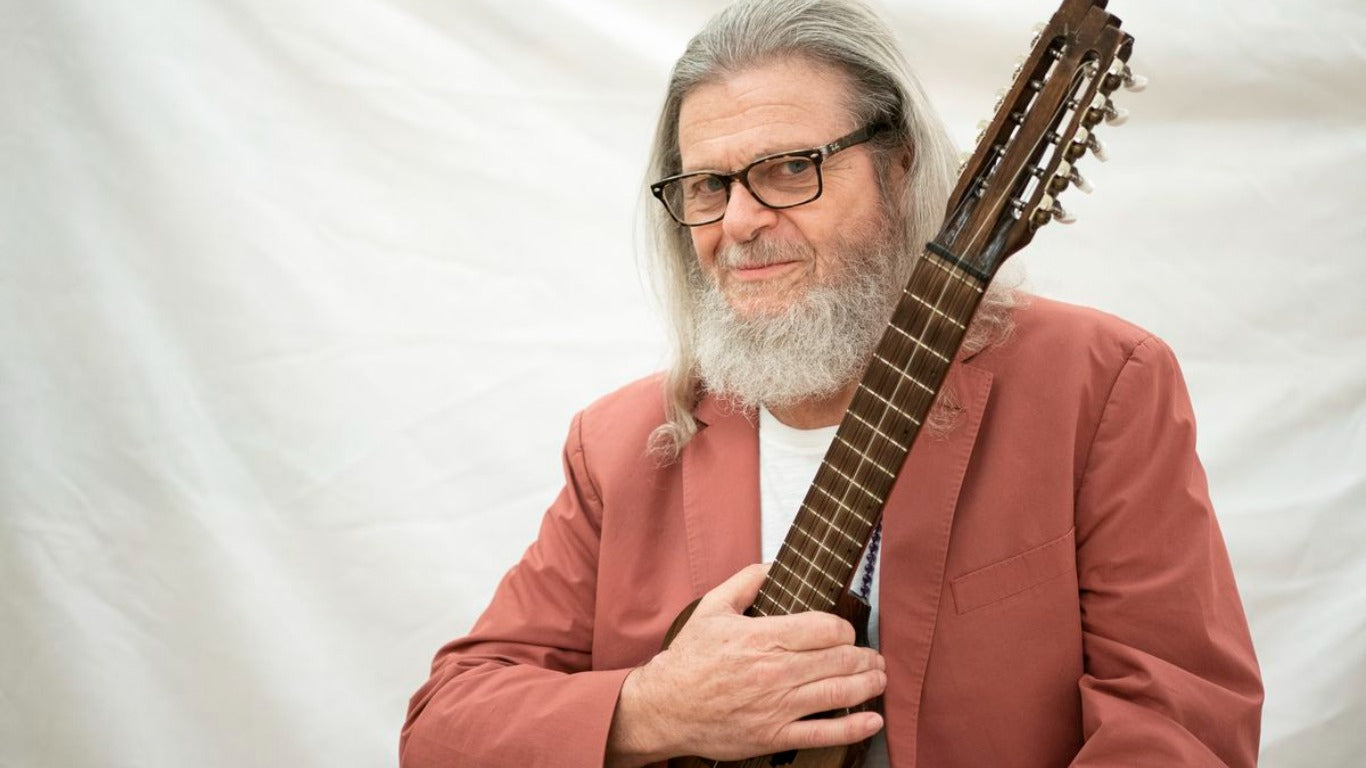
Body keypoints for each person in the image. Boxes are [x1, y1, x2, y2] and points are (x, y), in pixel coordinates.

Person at [400, 1, 1264, 765]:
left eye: (789, 168)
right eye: (707, 185)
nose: (738, 223)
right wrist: (653, 712)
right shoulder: (622, 444)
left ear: (896, 167)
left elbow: (1184, 725)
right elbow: (444, 729)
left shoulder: (1098, 385)